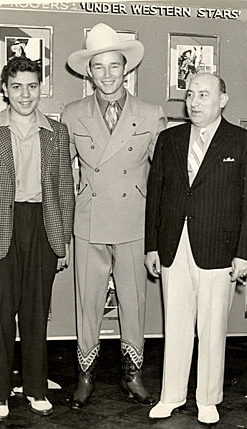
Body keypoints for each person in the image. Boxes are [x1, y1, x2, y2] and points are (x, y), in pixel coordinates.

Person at [145, 73, 247, 424]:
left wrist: (245, 253)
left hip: (220, 247)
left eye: (204, 94)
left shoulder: (244, 142)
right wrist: (152, 245)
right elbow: (156, 196)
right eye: (190, 95)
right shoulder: (169, 139)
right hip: (173, 243)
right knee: (176, 324)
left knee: (212, 326)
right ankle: (171, 396)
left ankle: (208, 399)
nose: (195, 102)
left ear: (223, 100)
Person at [0, 57, 75, 422]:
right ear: (5, 89)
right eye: (18, 86)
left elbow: (64, 192)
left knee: (36, 313)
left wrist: (61, 241)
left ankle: (36, 388)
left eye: (33, 86)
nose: (26, 94)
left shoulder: (57, 132)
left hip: (41, 226)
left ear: (41, 88)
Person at [62, 23, 166, 409]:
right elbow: (60, 174)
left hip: (134, 221)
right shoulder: (72, 114)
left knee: (133, 301)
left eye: (114, 66)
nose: (107, 74)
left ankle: (132, 374)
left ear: (127, 69)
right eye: (99, 67)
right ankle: (85, 374)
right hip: (89, 221)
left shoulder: (150, 113)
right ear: (89, 72)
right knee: (86, 302)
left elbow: (163, 177)